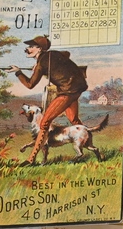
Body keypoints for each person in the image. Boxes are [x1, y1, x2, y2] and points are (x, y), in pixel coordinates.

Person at [9, 35, 88, 165]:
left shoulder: (42, 64)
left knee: (44, 122)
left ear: (39, 49)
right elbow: (66, 54)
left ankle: (31, 159)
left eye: (31, 47)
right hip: (78, 88)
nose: (27, 49)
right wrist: (40, 66)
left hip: (67, 92)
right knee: (74, 120)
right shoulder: (53, 54)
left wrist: (18, 72)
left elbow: (30, 84)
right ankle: (91, 147)